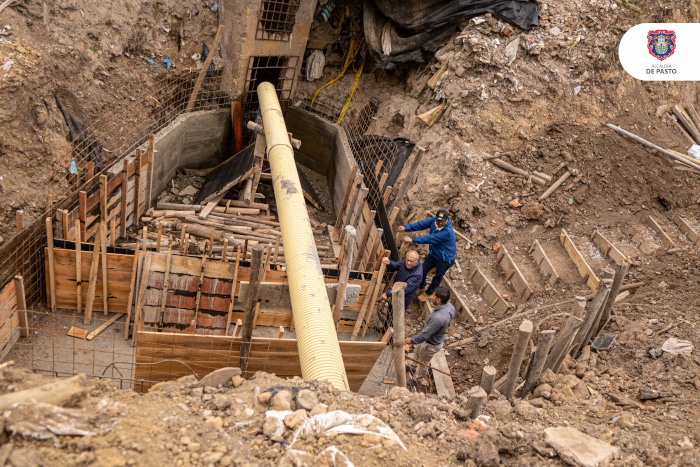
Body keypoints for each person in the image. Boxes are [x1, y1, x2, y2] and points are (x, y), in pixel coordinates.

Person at [399, 209, 456, 301]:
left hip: (444, 259)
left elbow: (431, 238)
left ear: (447, 220)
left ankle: (429, 293)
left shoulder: (447, 232)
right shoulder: (434, 221)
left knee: (437, 277)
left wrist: (413, 239)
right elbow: (421, 224)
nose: (439, 223)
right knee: (422, 270)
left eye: (442, 221)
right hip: (434, 254)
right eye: (438, 220)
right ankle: (421, 286)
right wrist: (406, 227)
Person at [404, 287, 455, 381]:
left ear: (439, 300)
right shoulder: (450, 307)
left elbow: (424, 335)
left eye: (433, 295)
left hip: (430, 344)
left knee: (423, 363)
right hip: (428, 340)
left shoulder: (438, 318)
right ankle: (412, 366)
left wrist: (411, 340)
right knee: (417, 351)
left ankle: (417, 380)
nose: (431, 296)